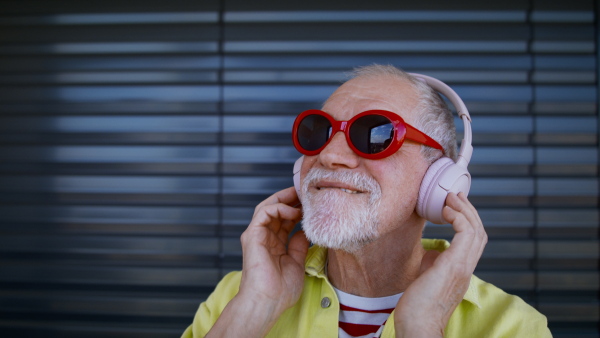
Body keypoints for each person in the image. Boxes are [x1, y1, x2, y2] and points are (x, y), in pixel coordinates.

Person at [181, 64, 552, 337]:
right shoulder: (238, 295)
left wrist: (422, 325)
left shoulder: (516, 326)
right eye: (320, 132)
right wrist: (254, 311)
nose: (330, 156)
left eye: (375, 135)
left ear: (439, 179)